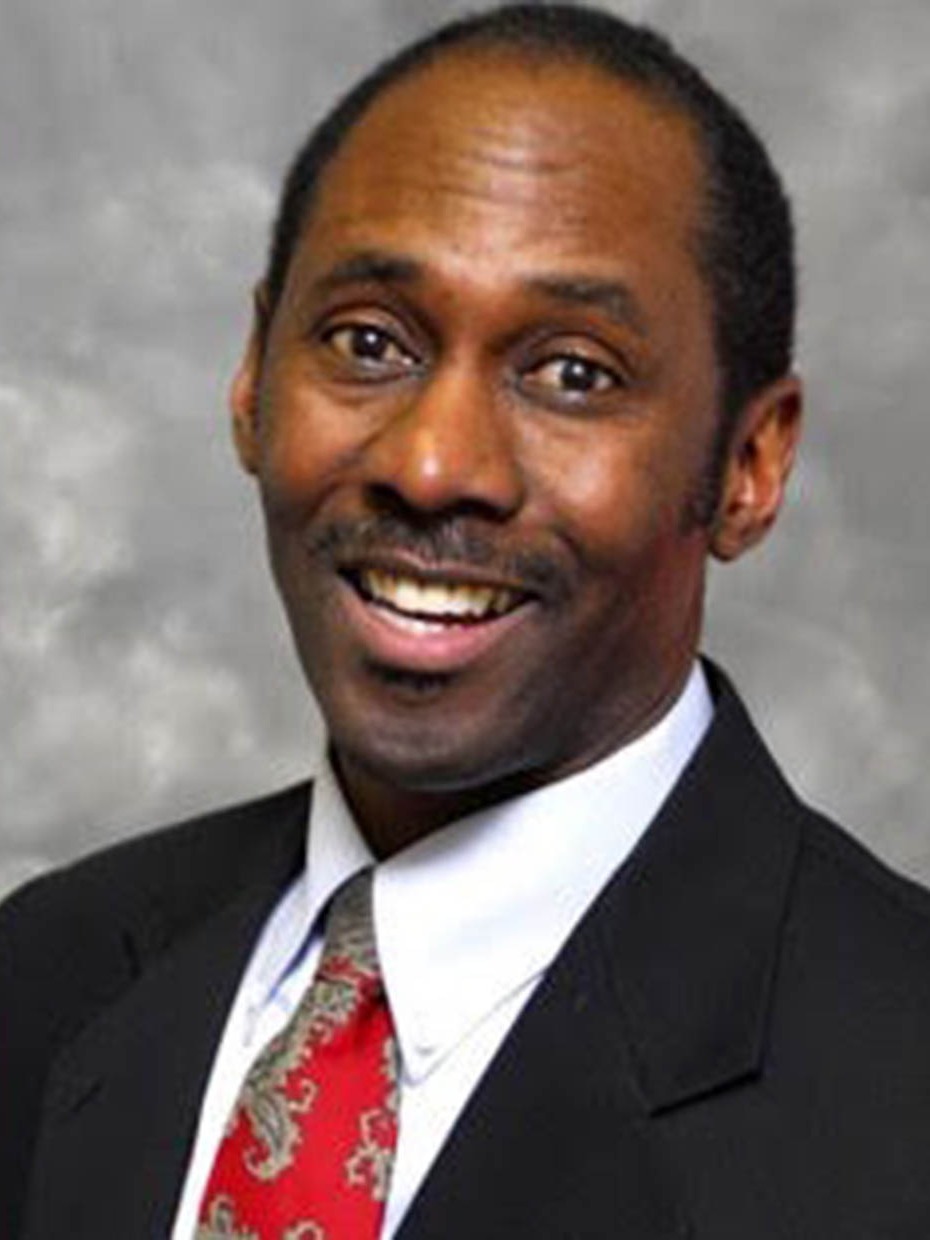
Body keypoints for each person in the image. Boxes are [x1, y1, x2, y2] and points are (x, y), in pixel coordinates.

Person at [4, 4, 930, 1237]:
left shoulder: (900, 1088)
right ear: (250, 379)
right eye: (369, 341)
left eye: (573, 372)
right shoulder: (47, 971)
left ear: (750, 467)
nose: (434, 465)